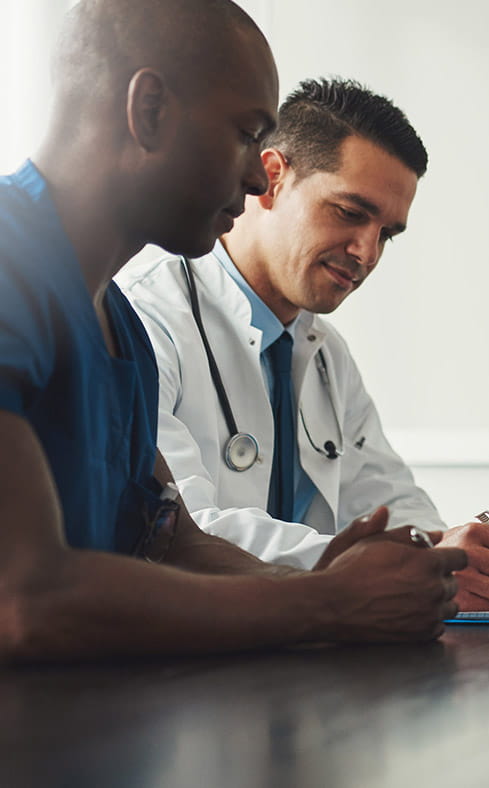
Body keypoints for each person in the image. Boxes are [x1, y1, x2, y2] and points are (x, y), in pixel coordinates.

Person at [0, 0, 465, 662]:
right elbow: (22, 598)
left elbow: (169, 541)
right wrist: (329, 601)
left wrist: (346, 576)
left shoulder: (117, 324)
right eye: (249, 134)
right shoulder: (9, 264)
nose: (255, 177)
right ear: (150, 110)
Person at [117, 77, 489, 612]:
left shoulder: (325, 355)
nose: (366, 251)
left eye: (387, 233)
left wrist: (444, 557)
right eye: (350, 213)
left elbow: (389, 502)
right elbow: (181, 532)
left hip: (309, 650)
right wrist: (383, 570)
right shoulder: (144, 318)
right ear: (272, 178)